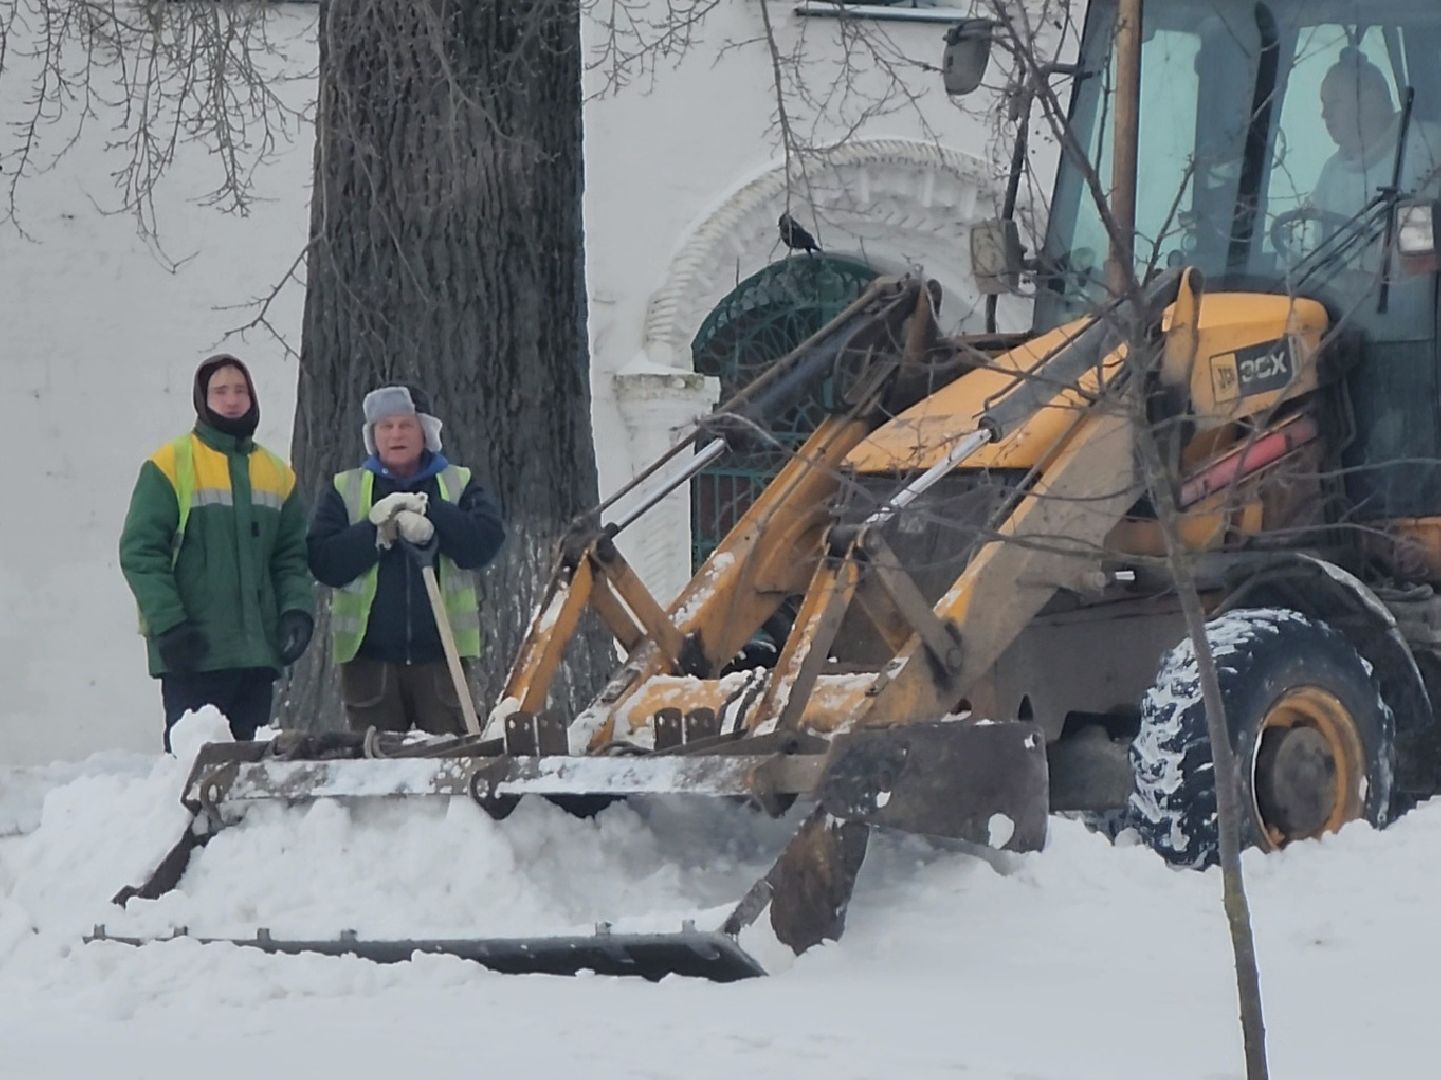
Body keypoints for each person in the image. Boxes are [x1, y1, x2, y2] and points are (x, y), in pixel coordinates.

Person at [120, 354, 314, 750]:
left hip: (256, 654)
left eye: (240, 390)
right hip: (193, 651)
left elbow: (290, 556)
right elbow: (141, 552)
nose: (231, 400)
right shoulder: (169, 465)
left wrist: (296, 610)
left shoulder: (277, 473)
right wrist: (170, 623)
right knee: (192, 767)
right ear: (202, 399)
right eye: (220, 391)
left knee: (249, 773)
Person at [307, 385, 505, 735]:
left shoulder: (458, 483)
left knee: (448, 763)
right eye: (385, 426)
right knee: (378, 767)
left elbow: (483, 544)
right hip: (370, 662)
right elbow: (324, 562)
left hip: (442, 658)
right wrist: (375, 532)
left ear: (425, 432)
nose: (395, 434)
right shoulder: (345, 488)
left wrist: (434, 512)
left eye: (406, 425)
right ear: (373, 436)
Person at [1312, 47, 1441, 228]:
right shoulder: (1332, 173)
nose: (1325, 114)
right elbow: (1317, 250)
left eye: (1335, 103)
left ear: (1370, 99)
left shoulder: (1430, 149)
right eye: (1324, 104)